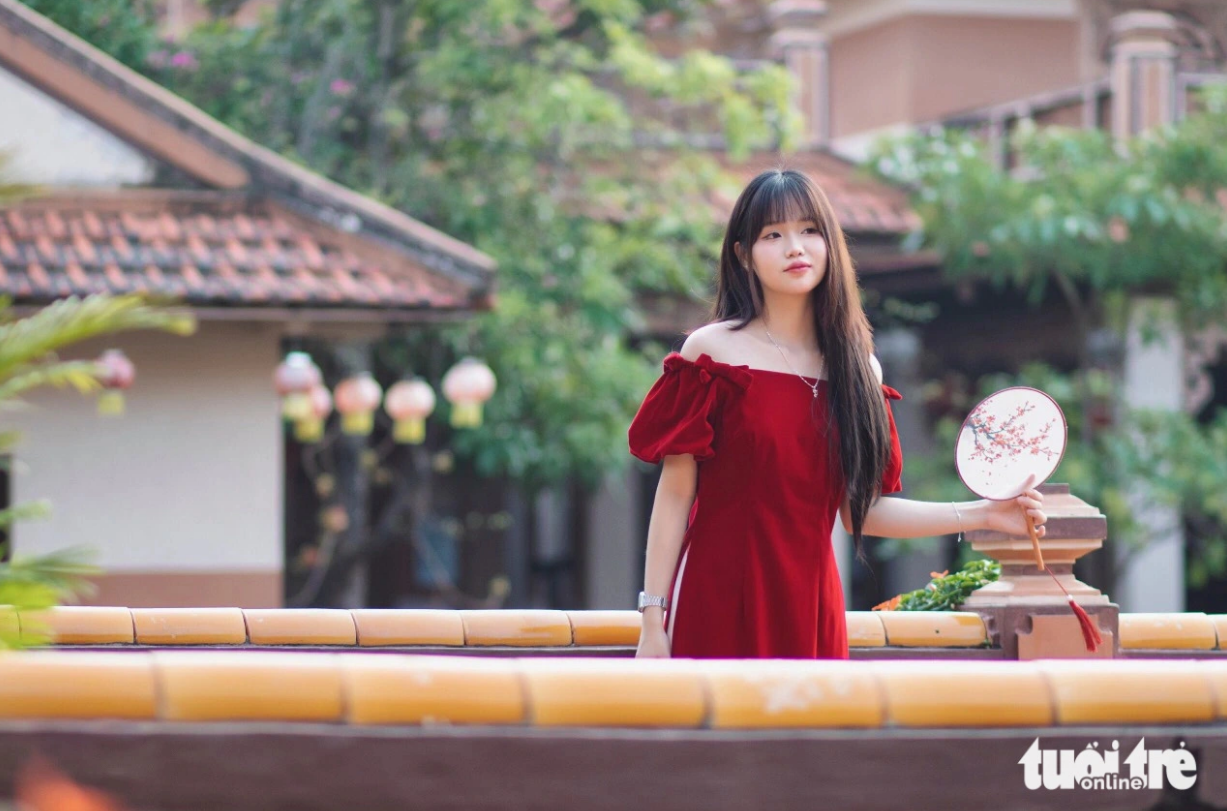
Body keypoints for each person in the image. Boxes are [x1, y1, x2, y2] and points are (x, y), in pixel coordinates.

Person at [627, 169, 1047, 659]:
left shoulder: (858, 368)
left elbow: (862, 511)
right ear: (743, 255)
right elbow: (675, 494)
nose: (794, 248)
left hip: (811, 604)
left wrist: (988, 515)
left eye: (809, 231)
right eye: (772, 235)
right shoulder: (711, 352)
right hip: (716, 594)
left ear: (831, 244)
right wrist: (652, 620)